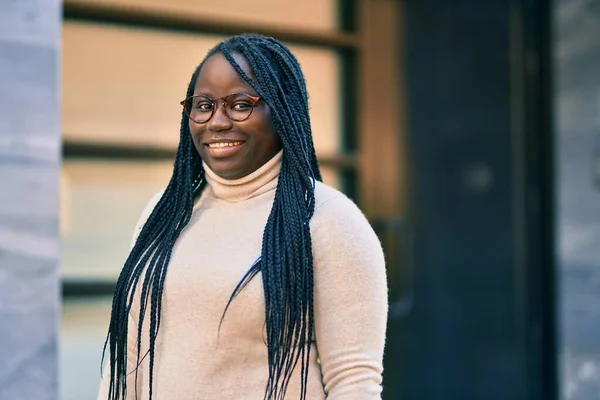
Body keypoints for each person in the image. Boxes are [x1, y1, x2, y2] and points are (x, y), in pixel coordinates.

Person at [98, 33, 388, 400]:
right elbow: (126, 364)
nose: (216, 122)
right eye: (203, 105)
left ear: (282, 110)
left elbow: (354, 383)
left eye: (239, 104)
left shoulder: (329, 221)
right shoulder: (164, 214)